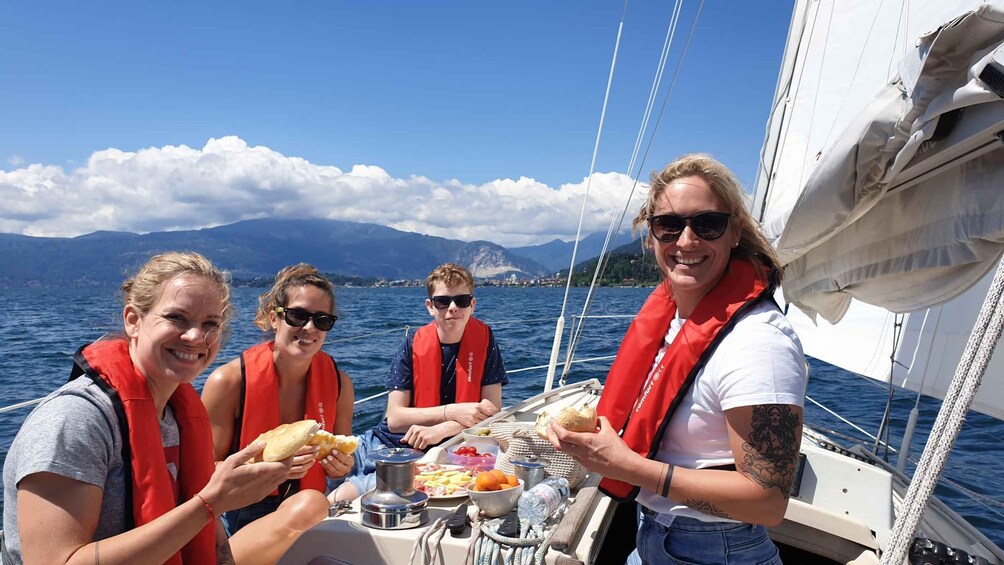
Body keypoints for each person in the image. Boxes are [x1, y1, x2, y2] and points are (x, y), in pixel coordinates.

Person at [545, 154, 807, 565]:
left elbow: (767, 503)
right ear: (649, 236)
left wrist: (627, 466)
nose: (686, 241)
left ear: (735, 232)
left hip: (719, 549)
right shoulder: (673, 322)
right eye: (668, 226)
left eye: (707, 224)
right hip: (653, 535)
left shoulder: (759, 343)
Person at [1, 251, 329, 565]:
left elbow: (214, 542)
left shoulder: (181, 416)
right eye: (176, 317)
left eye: (210, 324)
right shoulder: (75, 421)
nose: (194, 336)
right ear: (133, 319)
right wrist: (213, 503)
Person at [331, 262, 506, 502]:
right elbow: (395, 419)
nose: (452, 308)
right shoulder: (413, 344)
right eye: (443, 301)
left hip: (418, 459)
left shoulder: (486, 341)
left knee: (333, 502)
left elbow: (492, 413)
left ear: (472, 305)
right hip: (376, 443)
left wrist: (443, 429)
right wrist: (451, 412)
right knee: (312, 477)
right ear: (430, 307)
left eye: (461, 300)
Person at [202, 264, 355, 533]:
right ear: (274, 318)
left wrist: (341, 467)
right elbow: (202, 472)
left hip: (311, 506)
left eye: (322, 320)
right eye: (297, 316)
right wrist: (263, 467)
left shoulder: (340, 384)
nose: (309, 327)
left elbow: (340, 457)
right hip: (243, 510)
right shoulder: (228, 382)